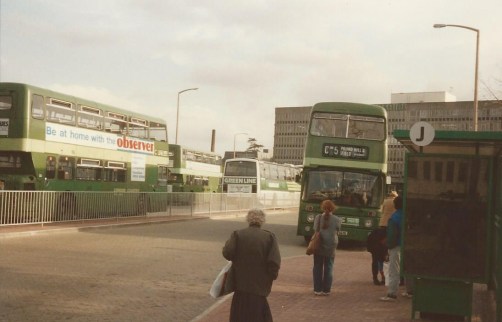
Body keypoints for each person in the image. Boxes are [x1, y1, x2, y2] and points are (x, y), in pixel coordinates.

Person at [222, 208, 281, 322]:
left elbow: (227, 253)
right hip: (259, 287)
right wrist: (270, 277)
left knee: (239, 315)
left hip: (240, 284)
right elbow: (274, 262)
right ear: (262, 220)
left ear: (248, 219)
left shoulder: (238, 234)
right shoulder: (269, 237)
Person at [312, 199, 342, 296]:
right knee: (329, 267)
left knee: (317, 266)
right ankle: (326, 290)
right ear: (333, 208)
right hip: (331, 245)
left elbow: (315, 229)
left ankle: (317, 289)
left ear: (322, 207)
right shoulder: (337, 219)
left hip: (319, 244)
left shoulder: (318, 217)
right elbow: (338, 229)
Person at [380, 196, 403, 301]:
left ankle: (392, 293)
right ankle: (411, 291)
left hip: (396, 246)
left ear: (395, 205)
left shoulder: (395, 217)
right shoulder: (407, 215)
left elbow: (392, 235)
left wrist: (389, 246)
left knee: (394, 270)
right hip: (407, 245)